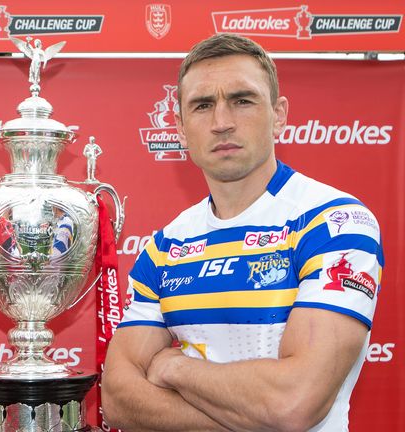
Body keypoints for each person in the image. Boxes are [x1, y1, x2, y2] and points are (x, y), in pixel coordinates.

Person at [102, 33, 383, 432]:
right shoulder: (166, 246)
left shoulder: (334, 223)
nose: (222, 122)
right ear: (180, 128)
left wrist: (173, 367)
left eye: (242, 100)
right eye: (202, 106)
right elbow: (119, 400)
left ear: (279, 114)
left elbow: (294, 403)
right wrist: (255, 414)